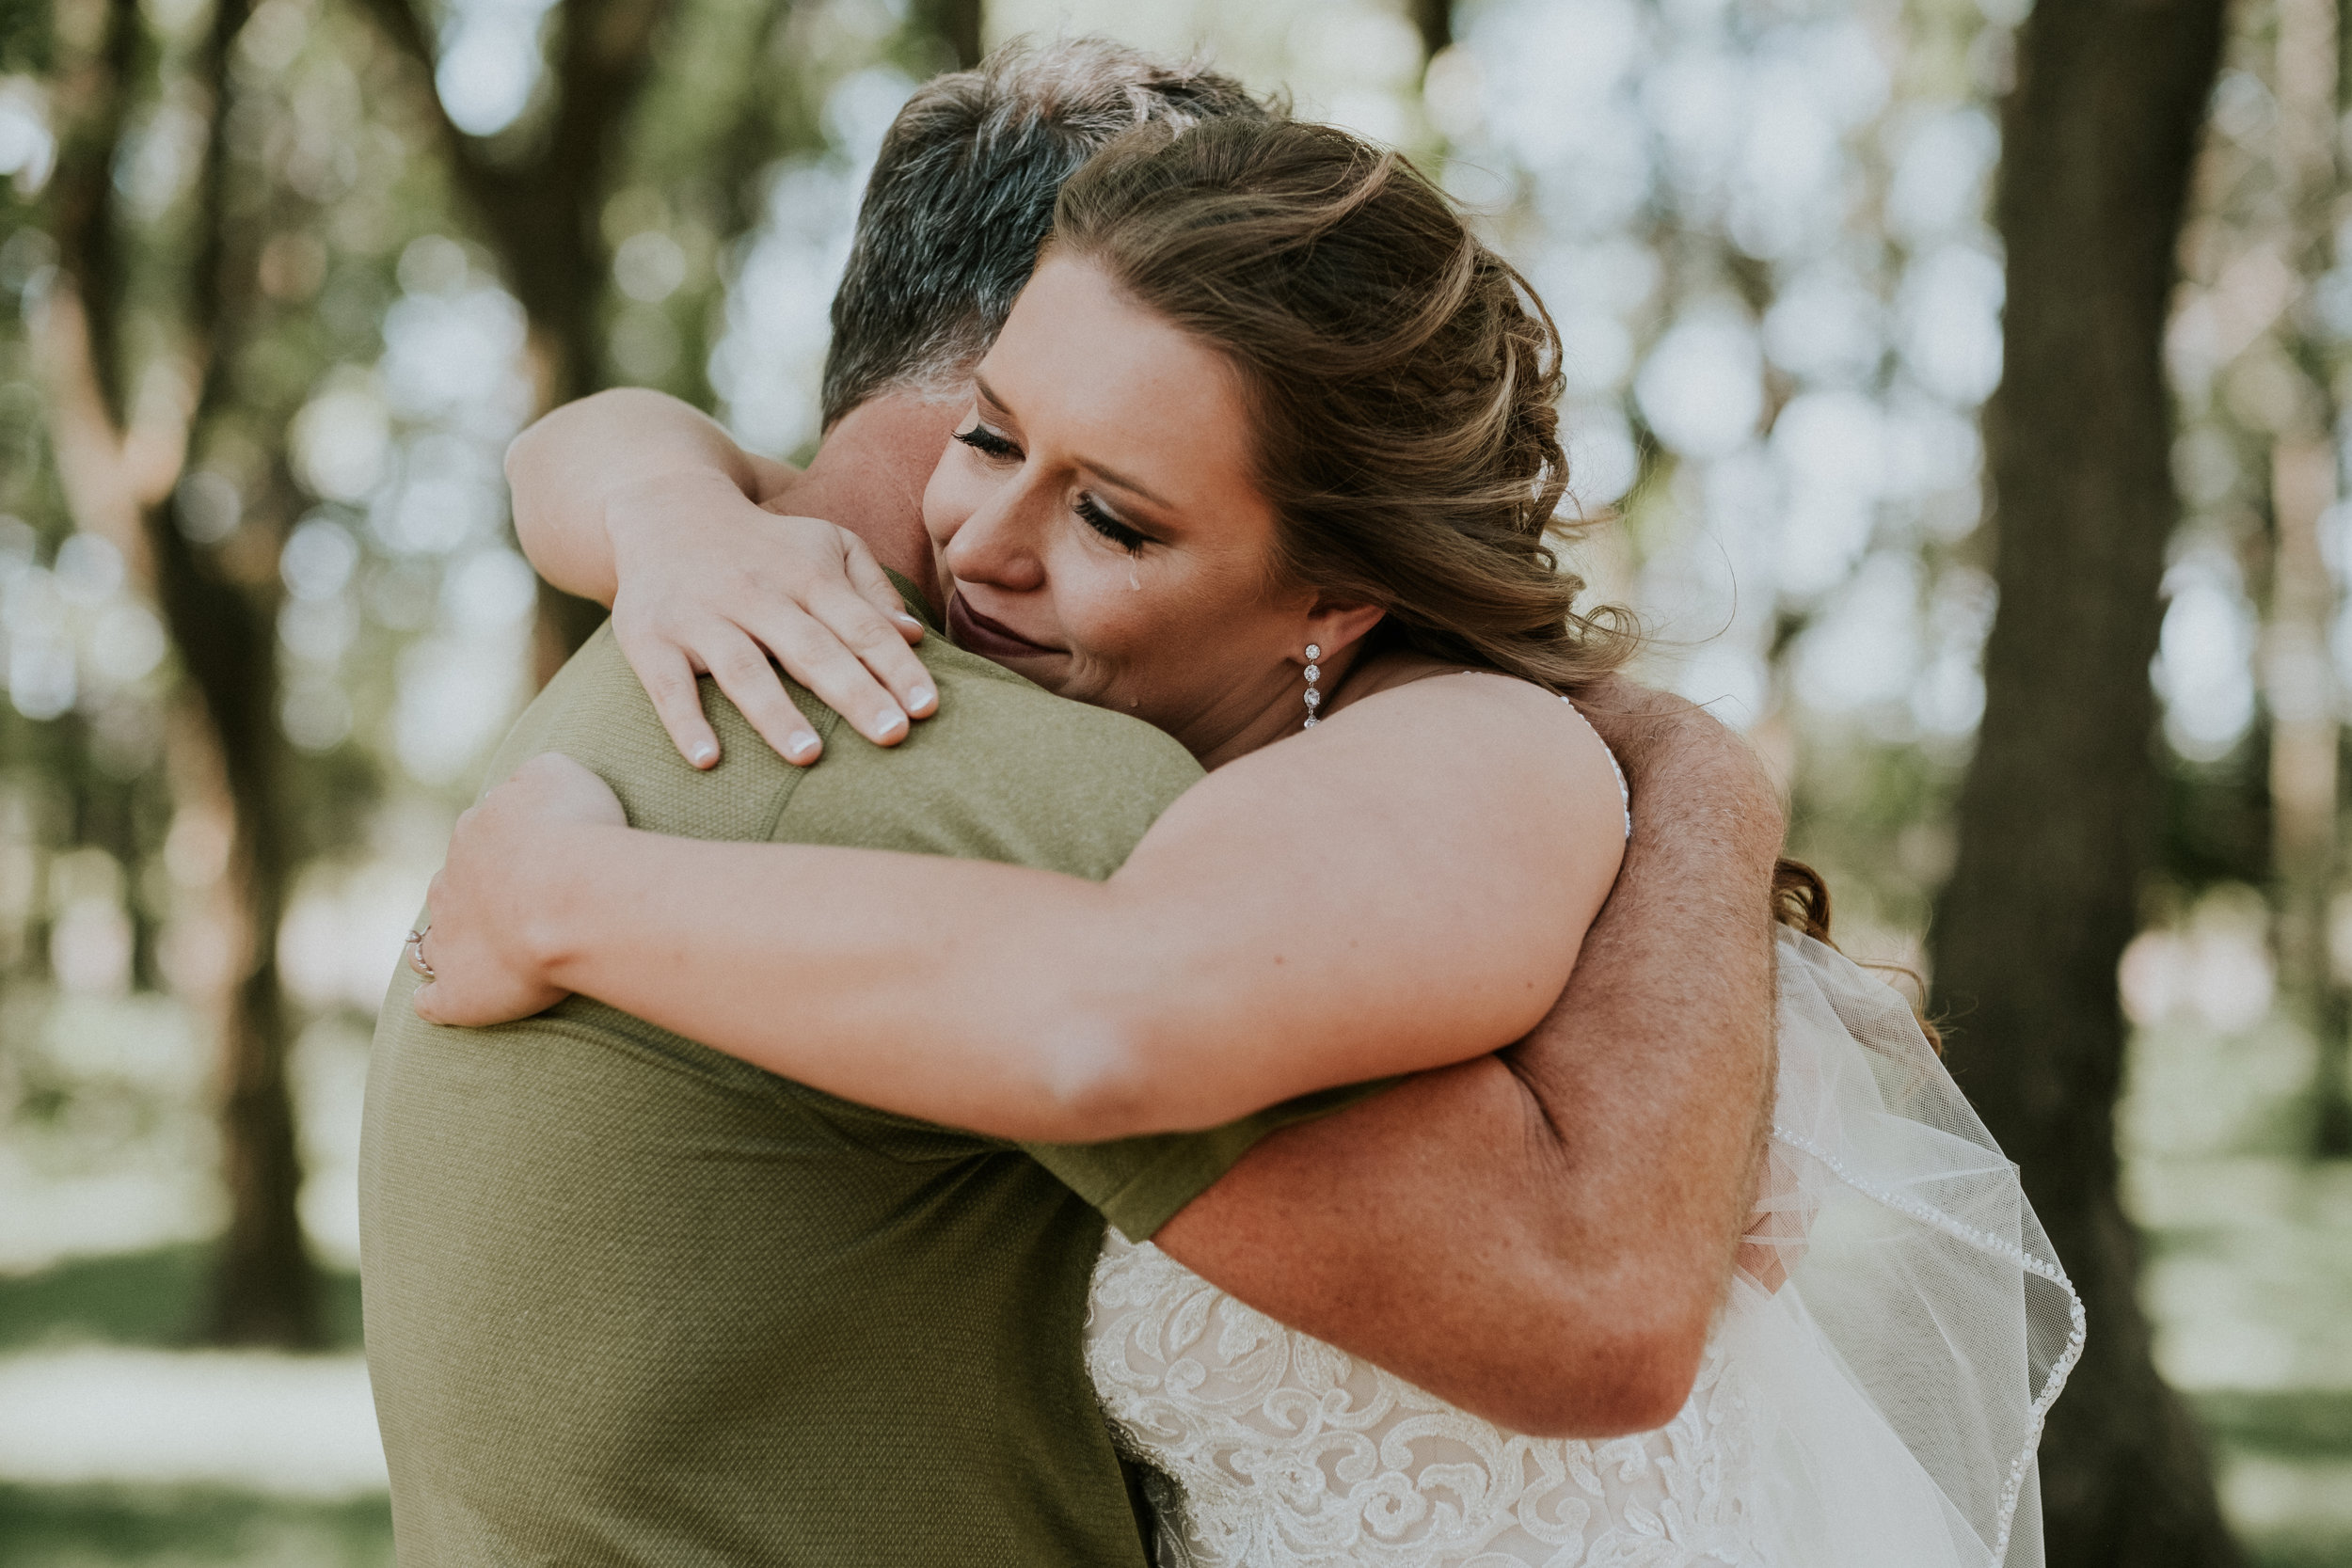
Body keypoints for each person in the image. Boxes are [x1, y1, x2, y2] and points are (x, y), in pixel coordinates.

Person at [416, 112, 2083, 1567]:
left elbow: (1106, 1025)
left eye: (1113, 520)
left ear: (1335, 595)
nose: (978, 541)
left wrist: (574, 898)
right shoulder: (1067, 619)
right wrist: (672, 520)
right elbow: (575, 448)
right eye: (995, 431)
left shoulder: (1471, 759)